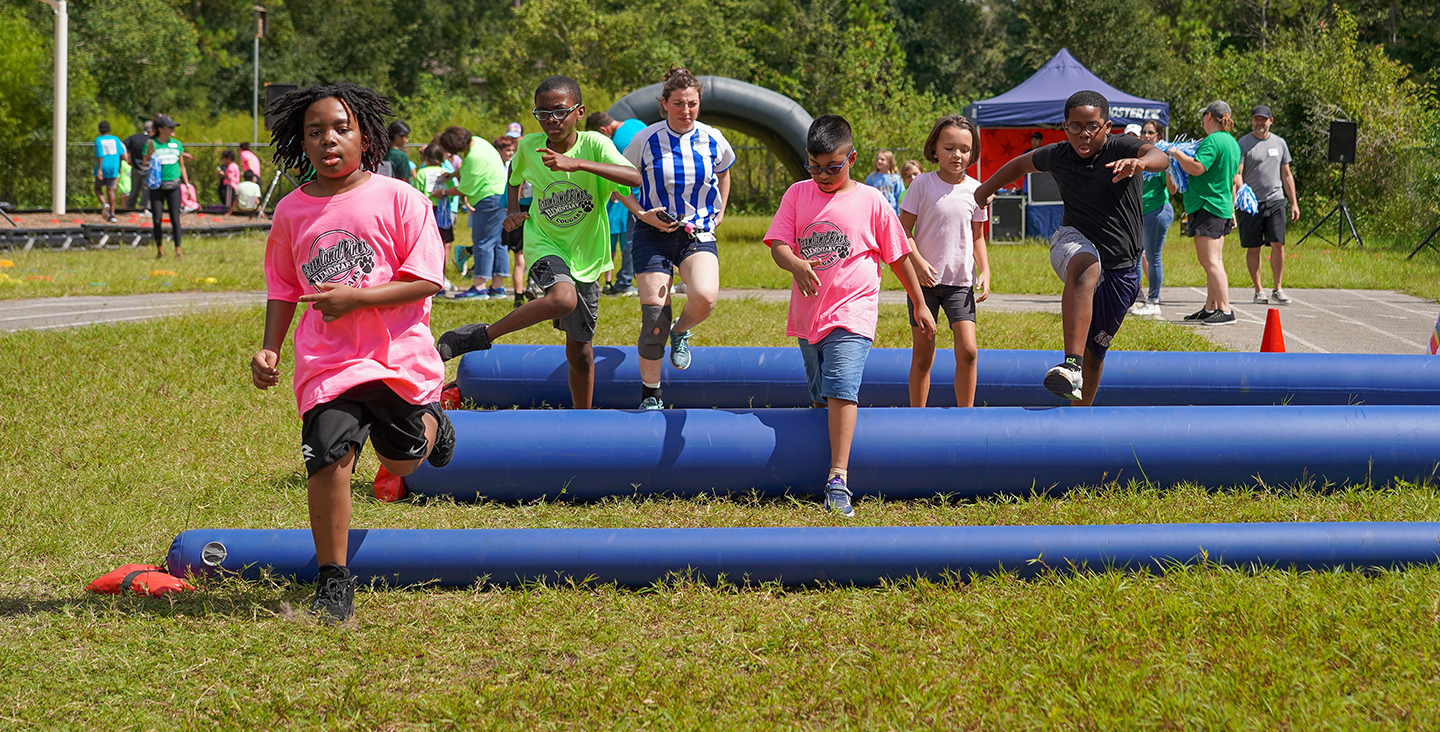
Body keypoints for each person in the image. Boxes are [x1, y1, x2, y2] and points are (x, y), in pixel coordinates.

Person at [251, 82, 455, 623]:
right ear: (301, 142)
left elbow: (427, 279)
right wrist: (269, 348)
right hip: (329, 363)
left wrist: (357, 298)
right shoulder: (292, 211)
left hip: (396, 359)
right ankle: (333, 581)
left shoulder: (401, 199)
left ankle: (434, 422)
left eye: (341, 128)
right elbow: (282, 286)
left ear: (366, 137)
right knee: (327, 455)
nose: (328, 141)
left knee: (401, 458)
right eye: (314, 132)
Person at [435, 75, 642, 410]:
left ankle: (583, 419)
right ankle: (480, 336)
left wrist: (575, 164)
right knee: (562, 298)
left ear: (579, 112)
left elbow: (633, 177)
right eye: (543, 114)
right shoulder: (530, 146)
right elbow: (513, 180)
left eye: (560, 112)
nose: (552, 121)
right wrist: (513, 211)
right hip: (543, 242)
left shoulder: (595, 145)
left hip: (587, 254)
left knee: (581, 353)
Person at [764, 114, 935, 517]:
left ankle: (838, 478)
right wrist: (796, 265)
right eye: (815, 166)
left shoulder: (873, 201)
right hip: (809, 318)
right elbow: (778, 245)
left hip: (853, 312)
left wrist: (921, 302)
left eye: (833, 167)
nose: (823, 175)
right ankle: (815, 462)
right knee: (820, 394)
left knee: (841, 387)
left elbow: (898, 256)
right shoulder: (797, 194)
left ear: (852, 158)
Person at [974, 91, 1169, 405]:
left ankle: (1080, 410)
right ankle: (1070, 363)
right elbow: (1019, 164)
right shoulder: (1058, 154)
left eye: (1092, 126)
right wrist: (983, 191)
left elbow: (1162, 158)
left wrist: (1140, 162)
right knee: (1085, 264)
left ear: (1106, 126)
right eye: (1075, 127)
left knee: (1095, 353)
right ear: (1064, 126)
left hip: (1121, 268)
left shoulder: (1123, 146)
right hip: (1073, 240)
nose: (1084, 134)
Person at [618, 67, 733, 409]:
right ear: (664, 104)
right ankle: (650, 394)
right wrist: (640, 213)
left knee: (705, 296)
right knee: (655, 318)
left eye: (693, 104)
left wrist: (722, 209)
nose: (686, 111)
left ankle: (681, 331)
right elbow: (619, 180)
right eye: (679, 104)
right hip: (653, 233)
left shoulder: (713, 137)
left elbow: (725, 172)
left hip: (696, 232)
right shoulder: (646, 139)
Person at [900, 115, 990, 407]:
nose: (957, 155)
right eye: (949, 148)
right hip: (924, 284)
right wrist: (918, 262)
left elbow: (977, 237)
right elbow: (903, 231)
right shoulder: (922, 185)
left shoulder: (976, 191)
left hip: (960, 284)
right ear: (935, 149)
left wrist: (985, 269)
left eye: (964, 149)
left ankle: (966, 416)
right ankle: (917, 416)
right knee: (924, 356)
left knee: (969, 351)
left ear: (972, 152)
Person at [1167, 101, 1242, 325]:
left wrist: (1176, 153)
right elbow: (1231, 179)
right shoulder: (1232, 142)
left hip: (1207, 205)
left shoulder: (1213, 141)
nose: (1203, 120)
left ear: (1209, 116)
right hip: (1220, 205)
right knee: (1215, 259)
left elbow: (1198, 168)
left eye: (1204, 116)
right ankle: (1211, 307)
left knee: (1209, 261)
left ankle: (1226, 310)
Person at [1237, 104, 1300, 305]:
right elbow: (1237, 173)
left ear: (1271, 121)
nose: (1259, 123)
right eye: (1256, 119)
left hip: (1276, 200)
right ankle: (1258, 290)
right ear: (1252, 121)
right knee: (1254, 247)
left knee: (1278, 244)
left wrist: (1294, 203)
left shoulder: (1280, 143)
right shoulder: (1244, 143)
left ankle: (1278, 288)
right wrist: (1241, 195)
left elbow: (1287, 174)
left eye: (1263, 119)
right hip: (1252, 204)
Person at [436, 126, 508, 300]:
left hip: (488, 199)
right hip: (501, 196)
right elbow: (467, 166)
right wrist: (454, 173)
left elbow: (465, 188)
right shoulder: (479, 142)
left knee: (482, 242)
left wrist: (443, 193)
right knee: (498, 242)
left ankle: (479, 288)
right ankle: (497, 287)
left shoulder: (474, 157)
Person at [1128, 119, 1177, 318]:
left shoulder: (1162, 157)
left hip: (1157, 211)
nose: (1147, 136)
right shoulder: (1140, 154)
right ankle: (1132, 299)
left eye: (1151, 133)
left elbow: (1173, 190)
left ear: (1158, 136)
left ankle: (1154, 301)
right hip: (1138, 212)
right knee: (1135, 257)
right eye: (1144, 132)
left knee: (1152, 256)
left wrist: (1169, 168)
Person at [492, 134, 534, 308]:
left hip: (516, 215)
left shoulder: (514, 171)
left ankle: (517, 296)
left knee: (519, 260)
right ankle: (532, 283)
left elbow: (504, 200)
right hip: (533, 214)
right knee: (536, 253)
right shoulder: (535, 172)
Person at [144, 115, 190, 260]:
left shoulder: (177, 144)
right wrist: (148, 154)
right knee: (157, 219)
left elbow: (182, 166)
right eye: (170, 127)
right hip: (157, 187)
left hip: (174, 186)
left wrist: (187, 185)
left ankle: (178, 251)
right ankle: (160, 250)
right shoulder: (152, 144)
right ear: (160, 129)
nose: (173, 129)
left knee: (175, 219)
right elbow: (145, 162)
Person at [413, 143, 456, 247]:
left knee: (428, 239)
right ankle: (443, 263)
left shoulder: (421, 173)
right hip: (443, 209)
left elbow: (416, 193)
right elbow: (452, 192)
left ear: (425, 158)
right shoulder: (446, 173)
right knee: (445, 240)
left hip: (427, 209)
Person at [93, 121, 127, 222]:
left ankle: (104, 204)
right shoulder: (116, 139)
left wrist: (99, 169)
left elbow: (100, 155)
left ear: (100, 130)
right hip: (114, 167)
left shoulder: (98, 140)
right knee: (111, 191)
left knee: (97, 188)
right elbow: (122, 153)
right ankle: (112, 215)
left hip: (103, 167)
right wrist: (120, 166)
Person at [124, 120, 153, 211]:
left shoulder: (134, 138)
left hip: (135, 166)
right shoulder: (152, 140)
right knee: (146, 190)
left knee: (134, 190)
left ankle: (130, 208)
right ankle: (145, 208)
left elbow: (122, 144)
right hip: (148, 167)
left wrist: (126, 158)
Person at [864, 149, 905, 215]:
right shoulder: (871, 177)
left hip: (892, 212)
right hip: (876, 212)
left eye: (882, 159)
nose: (879, 161)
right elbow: (868, 197)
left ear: (890, 162)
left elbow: (900, 198)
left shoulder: (895, 178)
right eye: (877, 159)